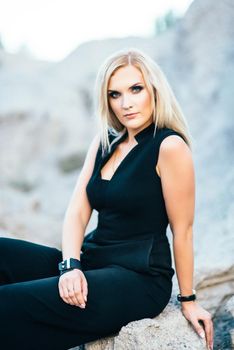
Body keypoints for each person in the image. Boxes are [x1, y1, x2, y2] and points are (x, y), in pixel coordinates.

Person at [0, 48, 214, 350]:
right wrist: (70, 265)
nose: (126, 103)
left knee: (7, 305)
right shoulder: (104, 144)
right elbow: (77, 211)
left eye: (135, 89)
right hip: (92, 261)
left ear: (154, 90)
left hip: (138, 279)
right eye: (115, 94)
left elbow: (184, 230)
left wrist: (188, 300)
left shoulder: (169, 146)